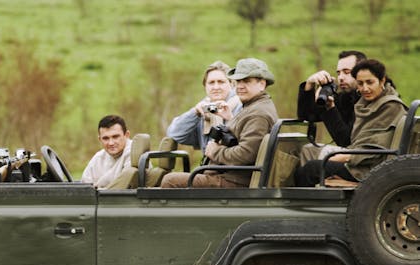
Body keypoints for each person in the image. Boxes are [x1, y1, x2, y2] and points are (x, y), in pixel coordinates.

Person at [160, 58, 278, 188]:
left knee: (170, 181)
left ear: (261, 84)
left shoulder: (257, 113)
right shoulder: (252, 107)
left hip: (235, 180)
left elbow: (246, 154)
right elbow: (175, 133)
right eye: (238, 81)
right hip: (228, 175)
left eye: (247, 81)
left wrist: (215, 151)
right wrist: (228, 118)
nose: (240, 86)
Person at [294, 58, 407, 187]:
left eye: (370, 82)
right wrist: (311, 87)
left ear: (382, 81)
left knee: (311, 169)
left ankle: (304, 206)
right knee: (306, 156)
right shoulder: (364, 103)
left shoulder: (389, 106)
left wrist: (338, 157)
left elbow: (374, 148)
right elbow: (308, 115)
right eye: (360, 83)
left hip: (368, 167)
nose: (365, 88)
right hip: (360, 159)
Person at [166, 60, 242, 151]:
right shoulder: (204, 112)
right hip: (209, 164)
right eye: (211, 82)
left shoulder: (241, 106)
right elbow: (174, 134)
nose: (216, 87)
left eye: (221, 82)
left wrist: (230, 119)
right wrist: (195, 113)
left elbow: (246, 142)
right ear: (205, 87)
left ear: (232, 84)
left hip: (235, 163)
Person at [297, 50, 366, 149]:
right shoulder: (346, 97)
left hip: (361, 158)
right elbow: (307, 116)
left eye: (347, 72)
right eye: (338, 73)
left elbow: (346, 142)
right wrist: (309, 85)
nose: (341, 77)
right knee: (305, 149)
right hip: (349, 155)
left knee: (311, 162)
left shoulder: (368, 100)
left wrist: (330, 108)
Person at [80, 115, 133, 189]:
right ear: (100, 139)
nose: (111, 143)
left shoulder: (134, 153)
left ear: (126, 135)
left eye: (115, 137)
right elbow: (85, 186)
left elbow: (124, 185)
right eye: (105, 138)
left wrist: (97, 187)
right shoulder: (98, 158)